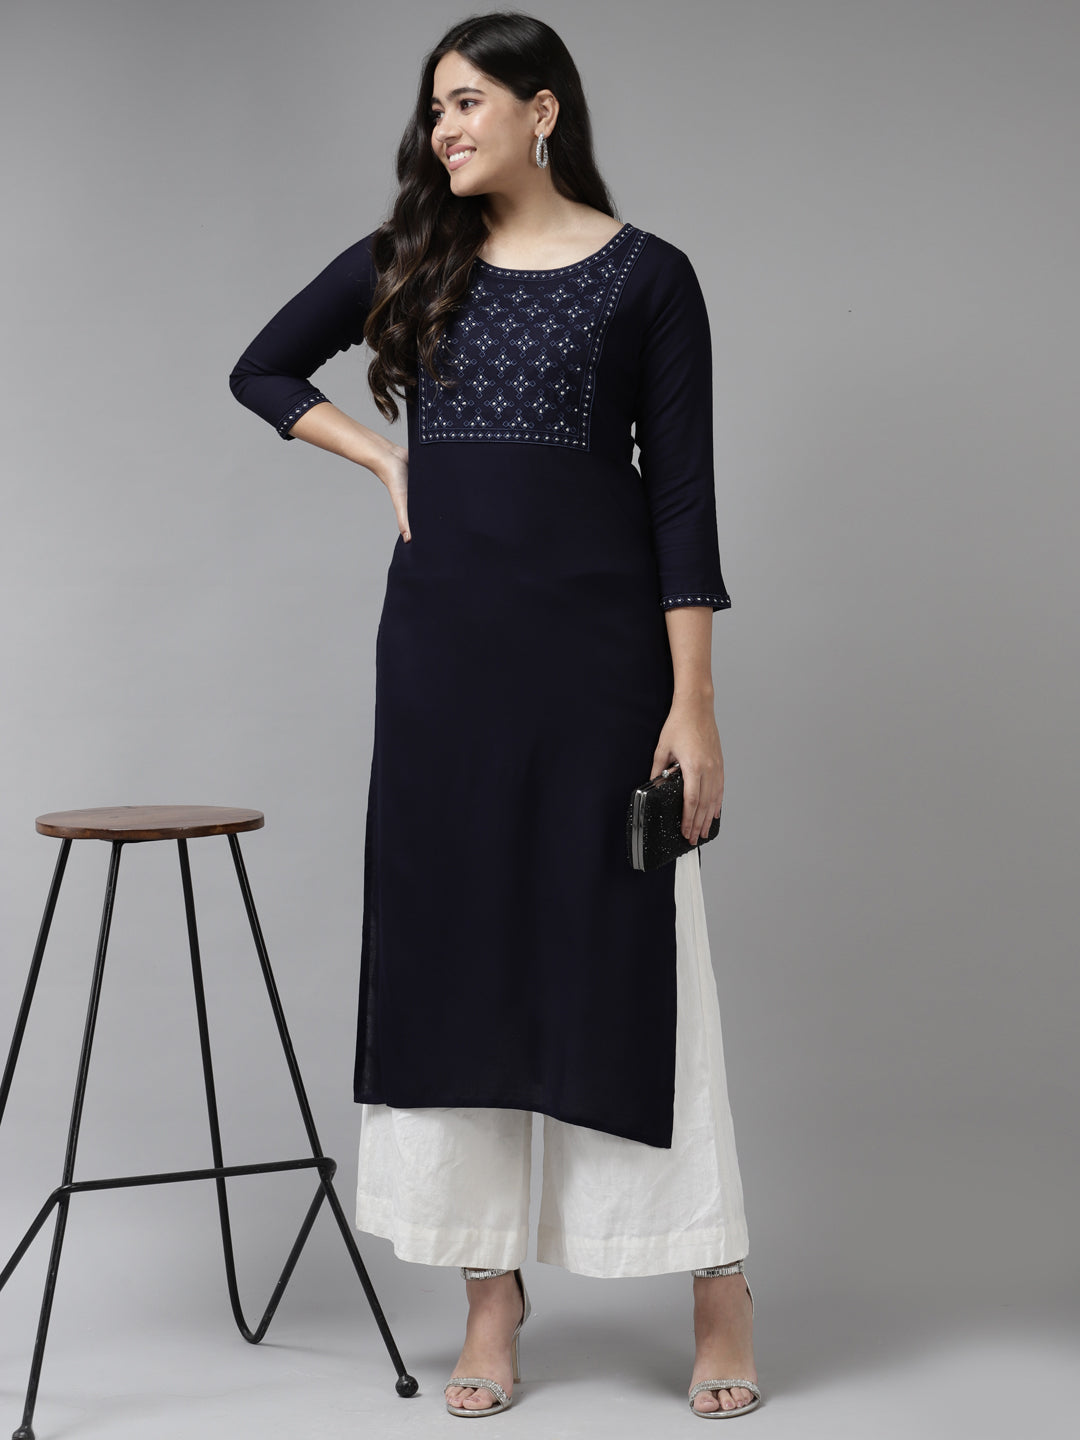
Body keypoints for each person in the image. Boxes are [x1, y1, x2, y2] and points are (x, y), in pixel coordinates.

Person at [230, 9, 760, 1420]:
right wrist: (380, 458)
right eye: (434, 109)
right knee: (455, 954)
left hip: (602, 669)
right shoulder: (413, 258)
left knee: (633, 959)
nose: (443, 129)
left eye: (467, 101)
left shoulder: (651, 277)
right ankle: (488, 1292)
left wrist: (694, 706)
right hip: (444, 666)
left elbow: (684, 503)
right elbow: (262, 368)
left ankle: (713, 1276)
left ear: (543, 109)